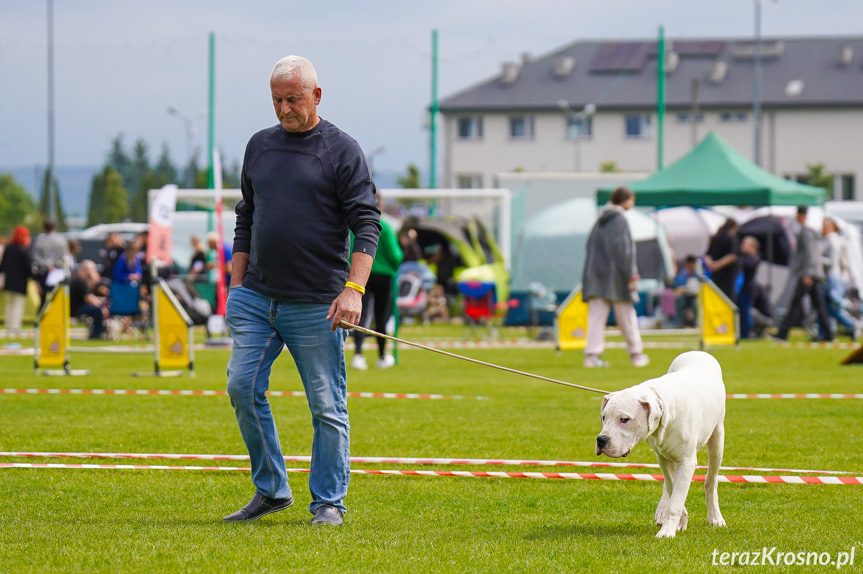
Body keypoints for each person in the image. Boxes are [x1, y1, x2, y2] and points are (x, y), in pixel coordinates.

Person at [223, 55, 381, 527]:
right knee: (241, 387)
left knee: (326, 406)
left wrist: (353, 289)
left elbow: (367, 224)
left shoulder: (342, 150)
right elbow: (246, 216)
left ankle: (328, 502)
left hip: (317, 303)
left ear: (316, 95)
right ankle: (271, 490)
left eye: (293, 99)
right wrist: (235, 284)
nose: (284, 109)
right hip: (255, 298)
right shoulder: (259, 146)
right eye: (276, 99)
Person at [581, 186, 649, 368]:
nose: (633, 204)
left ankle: (592, 357)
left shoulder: (600, 220)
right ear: (624, 200)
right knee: (627, 317)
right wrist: (632, 275)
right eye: (631, 200)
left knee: (596, 318)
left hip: (596, 277)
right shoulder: (620, 220)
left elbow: (589, 246)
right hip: (618, 278)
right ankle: (636, 354)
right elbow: (625, 250)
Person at [351, 207, 404, 370]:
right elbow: (395, 255)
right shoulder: (386, 227)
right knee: (381, 316)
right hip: (383, 275)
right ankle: (382, 355)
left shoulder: (355, 226)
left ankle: (358, 355)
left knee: (360, 314)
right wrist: (393, 265)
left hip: (360, 273)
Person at [774, 207, 833, 342]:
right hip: (814, 273)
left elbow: (810, 255)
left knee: (796, 303)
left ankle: (782, 333)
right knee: (819, 305)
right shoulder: (809, 231)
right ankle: (828, 334)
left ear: (801, 215)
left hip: (809, 274)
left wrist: (807, 274)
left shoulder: (806, 231)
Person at [821, 217, 862, 340]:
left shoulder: (831, 240)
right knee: (828, 306)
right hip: (837, 277)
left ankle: (853, 323)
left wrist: (817, 260)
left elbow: (832, 262)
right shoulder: (838, 239)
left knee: (835, 304)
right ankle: (830, 331)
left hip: (832, 277)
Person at [0, 226, 35, 337]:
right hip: (20, 282)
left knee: (10, 304)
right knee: (18, 304)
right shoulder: (24, 251)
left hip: (9, 281)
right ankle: (14, 326)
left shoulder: (8, 249)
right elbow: (28, 268)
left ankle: (9, 325)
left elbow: (2, 266)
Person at [31, 220, 69, 307]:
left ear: (44, 228)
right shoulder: (61, 239)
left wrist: (47, 266)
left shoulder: (39, 239)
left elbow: (36, 257)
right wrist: (54, 266)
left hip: (43, 271)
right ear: (55, 228)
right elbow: (64, 256)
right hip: (56, 271)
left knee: (43, 297)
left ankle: (42, 317)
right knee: (56, 297)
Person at [704, 218, 740, 303]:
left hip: (716, 274)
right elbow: (732, 256)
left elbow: (707, 255)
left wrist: (711, 265)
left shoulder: (716, 236)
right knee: (727, 300)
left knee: (717, 298)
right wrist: (718, 265)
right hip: (728, 274)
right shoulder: (732, 237)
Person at [69, 260, 107, 339]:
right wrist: (102, 306)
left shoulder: (78, 278)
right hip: (76, 309)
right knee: (97, 310)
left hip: (76, 307)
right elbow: (89, 299)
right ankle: (97, 333)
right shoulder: (80, 281)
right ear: (86, 270)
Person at [737, 236, 761, 339]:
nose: (742, 246)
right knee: (741, 313)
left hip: (748, 289)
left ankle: (746, 334)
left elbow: (745, 265)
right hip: (742, 289)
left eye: (745, 244)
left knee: (746, 313)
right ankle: (743, 333)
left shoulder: (754, 258)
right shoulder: (745, 257)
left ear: (753, 247)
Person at [672, 255, 700, 327]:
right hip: (685, 295)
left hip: (695, 296)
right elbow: (676, 284)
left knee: (695, 303)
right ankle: (678, 323)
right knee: (679, 301)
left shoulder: (698, 274)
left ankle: (696, 323)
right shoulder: (683, 273)